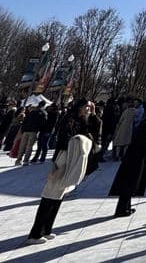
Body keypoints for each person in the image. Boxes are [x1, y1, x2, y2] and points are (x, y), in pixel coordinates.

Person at [24, 99, 93, 245]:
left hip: (70, 158)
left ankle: (46, 229)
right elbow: (64, 139)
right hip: (63, 157)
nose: (88, 110)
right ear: (80, 107)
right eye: (87, 107)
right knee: (50, 195)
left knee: (59, 195)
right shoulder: (69, 119)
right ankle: (35, 234)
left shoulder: (81, 120)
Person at [109, 105, 146, 216]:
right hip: (135, 159)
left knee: (132, 184)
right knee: (129, 184)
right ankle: (121, 209)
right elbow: (144, 140)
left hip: (138, 158)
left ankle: (126, 207)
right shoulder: (145, 125)